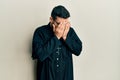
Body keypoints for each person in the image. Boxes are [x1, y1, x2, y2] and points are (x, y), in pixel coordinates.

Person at [32, 5, 82, 80]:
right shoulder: (40, 32)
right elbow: (40, 55)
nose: (62, 27)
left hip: (66, 76)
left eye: (65, 24)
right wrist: (56, 37)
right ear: (51, 19)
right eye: (59, 23)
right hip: (46, 77)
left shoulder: (69, 31)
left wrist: (65, 37)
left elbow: (78, 50)